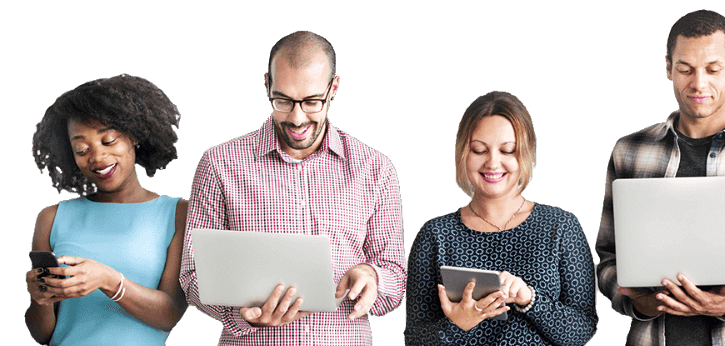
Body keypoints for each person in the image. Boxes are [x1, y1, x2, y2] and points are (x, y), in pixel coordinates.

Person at [594, 9, 725, 345]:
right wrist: (639, 303)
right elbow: (607, 259)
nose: (699, 83)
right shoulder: (629, 150)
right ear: (668, 68)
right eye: (685, 69)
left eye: (712, 69)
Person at [180, 30, 405, 344]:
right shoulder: (219, 164)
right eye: (283, 101)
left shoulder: (375, 169)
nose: (297, 119)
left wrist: (373, 277)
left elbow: (395, 274)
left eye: (312, 102)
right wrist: (241, 314)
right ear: (267, 86)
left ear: (334, 88)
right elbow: (192, 276)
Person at [403, 91, 598, 345]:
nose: (493, 163)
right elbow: (413, 339)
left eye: (507, 150)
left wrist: (530, 300)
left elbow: (582, 330)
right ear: (464, 153)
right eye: (479, 150)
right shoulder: (434, 235)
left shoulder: (561, 227)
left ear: (525, 154)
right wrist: (456, 324)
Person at [26, 74, 187, 345]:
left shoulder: (177, 213)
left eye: (109, 140)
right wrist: (41, 299)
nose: (97, 157)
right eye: (81, 149)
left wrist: (108, 279)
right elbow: (42, 334)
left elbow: (169, 314)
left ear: (134, 136)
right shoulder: (52, 217)